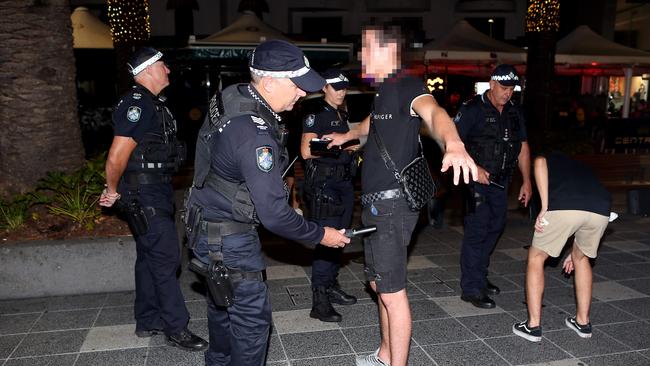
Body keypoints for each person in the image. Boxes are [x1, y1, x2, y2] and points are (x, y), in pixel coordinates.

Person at [184, 40, 350, 365]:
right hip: (230, 239)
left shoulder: (232, 95)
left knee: (222, 311)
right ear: (270, 82)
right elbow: (274, 215)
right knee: (250, 326)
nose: (303, 93)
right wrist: (320, 235)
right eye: (297, 85)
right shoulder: (254, 134)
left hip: (204, 223)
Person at [324, 25, 477, 366]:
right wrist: (345, 135)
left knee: (392, 292)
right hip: (378, 205)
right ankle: (384, 354)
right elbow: (370, 126)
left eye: (366, 48)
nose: (361, 55)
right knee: (380, 286)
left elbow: (435, 113)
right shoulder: (382, 94)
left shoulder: (408, 85)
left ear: (388, 51)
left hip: (393, 204)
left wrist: (453, 143)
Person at [99, 47, 208, 351]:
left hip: (155, 190)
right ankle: (177, 327)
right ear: (146, 72)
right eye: (163, 66)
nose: (168, 70)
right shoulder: (138, 104)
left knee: (149, 257)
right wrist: (112, 190)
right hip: (144, 192)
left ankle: (147, 319)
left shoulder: (153, 104)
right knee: (165, 258)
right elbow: (116, 155)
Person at [453, 64, 532, 309]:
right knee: (477, 231)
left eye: (512, 89)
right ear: (492, 83)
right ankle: (472, 288)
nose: (508, 93)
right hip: (474, 182)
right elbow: (453, 143)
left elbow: (523, 147)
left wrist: (527, 180)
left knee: (496, 226)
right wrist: (475, 168)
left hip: (502, 180)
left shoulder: (514, 112)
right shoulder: (472, 110)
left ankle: (480, 275)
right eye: (504, 88)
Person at [513, 152, 612, 342]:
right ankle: (583, 322)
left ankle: (532, 326)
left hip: (564, 205)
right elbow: (583, 211)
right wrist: (574, 250)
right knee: (581, 258)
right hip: (601, 208)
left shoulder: (550, 159)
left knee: (536, 257)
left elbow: (540, 162)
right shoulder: (580, 168)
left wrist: (545, 207)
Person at [301, 69, 358, 322]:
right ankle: (319, 300)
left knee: (341, 238)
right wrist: (339, 147)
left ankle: (331, 286)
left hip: (343, 183)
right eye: (337, 88)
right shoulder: (316, 115)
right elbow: (305, 151)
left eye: (344, 87)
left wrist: (349, 145)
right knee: (327, 240)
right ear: (325, 88)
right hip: (325, 185)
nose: (342, 92)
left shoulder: (340, 114)